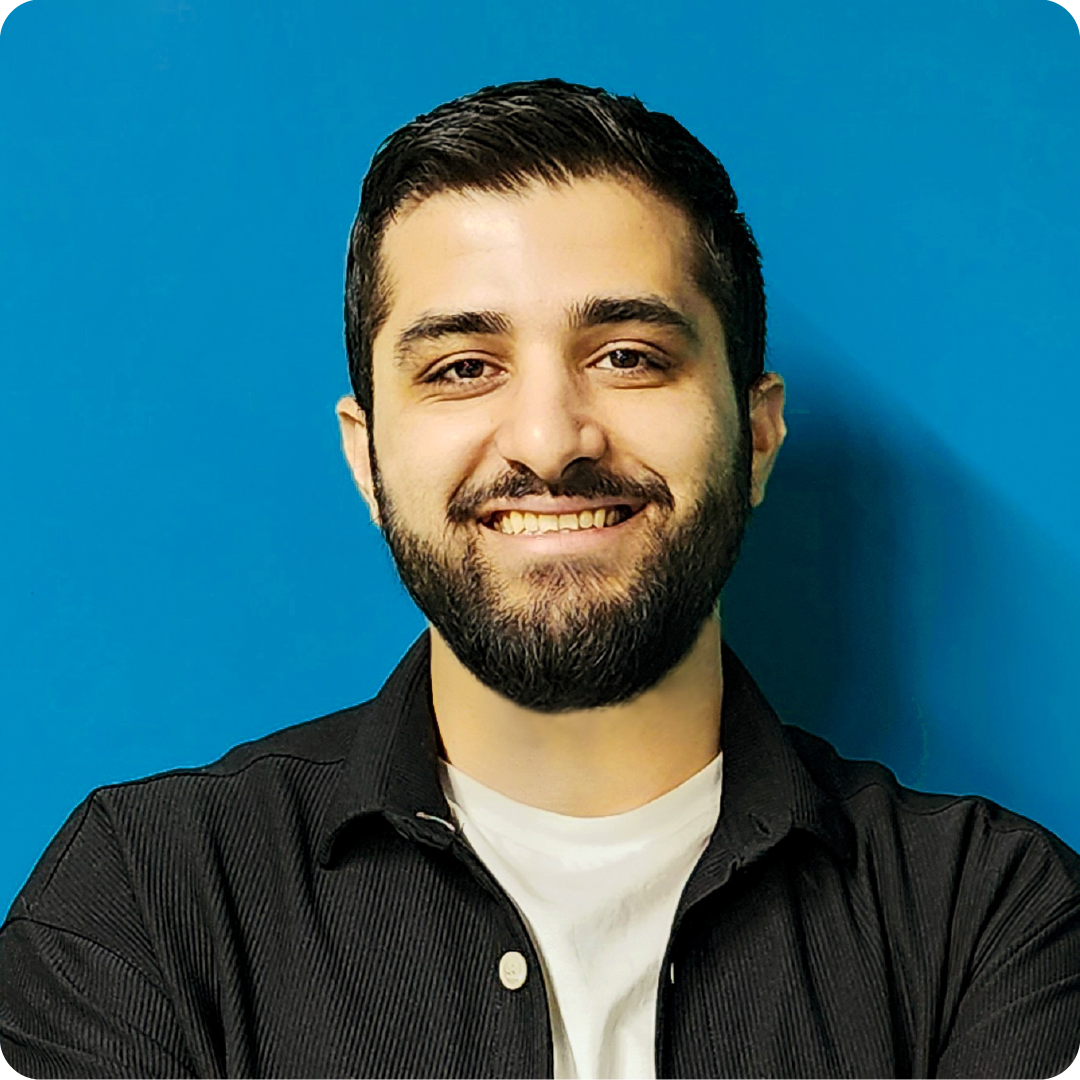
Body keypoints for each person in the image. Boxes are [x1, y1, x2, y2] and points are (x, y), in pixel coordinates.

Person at [1, 78, 1078, 1080]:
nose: (550, 440)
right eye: (463, 367)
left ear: (755, 437)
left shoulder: (988, 917)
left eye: (628, 355)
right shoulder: (146, 903)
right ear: (366, 460)